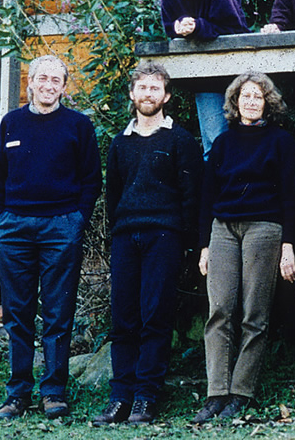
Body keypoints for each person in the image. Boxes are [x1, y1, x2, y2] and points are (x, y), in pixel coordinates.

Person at [0, 55, 101, 420]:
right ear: (31, 83)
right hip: (15, 228)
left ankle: (53, 392)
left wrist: (75, 220)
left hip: (60, 228)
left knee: (57, 313)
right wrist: (0, 218)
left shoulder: (78, 126)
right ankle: (18, 393)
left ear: (64, 88)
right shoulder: (11, 123)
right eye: (43, 79)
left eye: (57, 80)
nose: (49, 85)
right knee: (17, 313)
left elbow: (91, 180)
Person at [93, 61, 202, 426]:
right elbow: (113, 195)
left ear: (166, 96)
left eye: (155, 88)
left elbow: (191, 197)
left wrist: (185, 245)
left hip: (164, 237)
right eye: (142, 87)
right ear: (132, 94)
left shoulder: (180, 140)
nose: (148, 94)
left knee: (155, 316)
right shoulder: (120, 143)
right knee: (124, 318)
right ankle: (120, 397)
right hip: (127, 237)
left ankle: (145, 397)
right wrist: (116, 235)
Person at [193, 72, 295, 423]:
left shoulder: (281, 142)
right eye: (245, 96)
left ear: (267, 103)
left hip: (264, 228)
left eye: (258, 96)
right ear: (235, 102)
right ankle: (216, 393)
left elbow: (290, 198)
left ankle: (241, 392)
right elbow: (207, 197)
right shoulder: (223, 144)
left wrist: (289, 245)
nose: (251, 101)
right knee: (220, 309)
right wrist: (204, 245)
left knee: (254, 313)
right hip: (223, 228)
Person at [160, 0, 250, 158]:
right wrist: (177, 28)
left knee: (245, 138)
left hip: (236, 75)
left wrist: (198, 27)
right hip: (204, 80)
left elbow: (238, 33)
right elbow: (168, 27)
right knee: (214, 141)